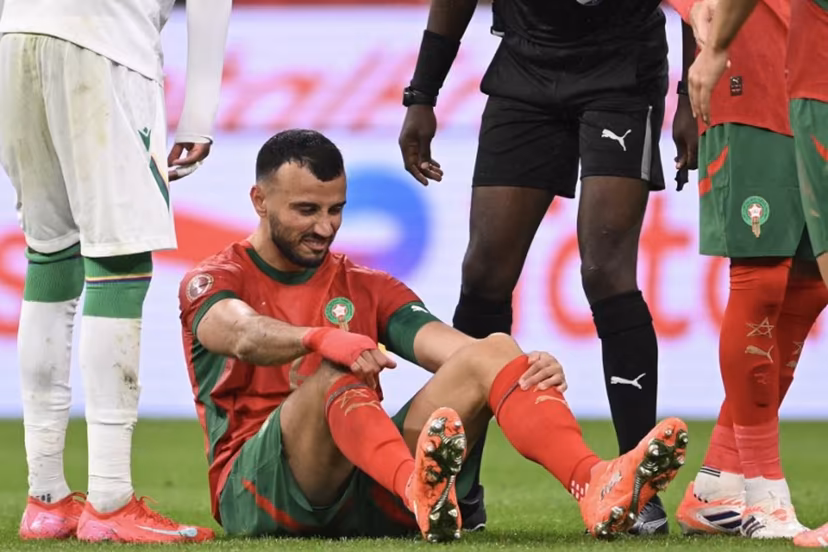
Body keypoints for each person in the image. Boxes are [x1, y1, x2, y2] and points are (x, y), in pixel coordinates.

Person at [177, 128, 689, 542]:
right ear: (259, 201)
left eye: (336, 210)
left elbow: (457, 352)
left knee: (496, 349)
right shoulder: (217, 278)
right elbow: (239, 333)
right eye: (306, 211)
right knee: (337, 370)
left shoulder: (362, 284)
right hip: (260, 494)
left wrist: (517, 371)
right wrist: (319, 338)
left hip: (368, 486)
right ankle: (417, 489)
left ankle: (592, 481)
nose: (326, 227)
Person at [397, 0, 697, 533]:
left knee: (605, 270)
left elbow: (700, 5)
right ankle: (459, 487)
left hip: (623, 72)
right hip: (525, 68)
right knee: (485, 272)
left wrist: (691, 96)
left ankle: (636, 490)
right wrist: (422, 94)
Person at [0, 0, 231, 543]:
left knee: (49, 256)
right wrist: (199, 115)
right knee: (120, 261)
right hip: (104, 37)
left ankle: (47, 498)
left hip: (13, 34)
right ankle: (110, 500)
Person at [667, 0, 828, 539]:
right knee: (761, 279)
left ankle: (716, 486)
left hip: (812, 68)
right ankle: (763, 491)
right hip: (749, 69)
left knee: (809, 286)